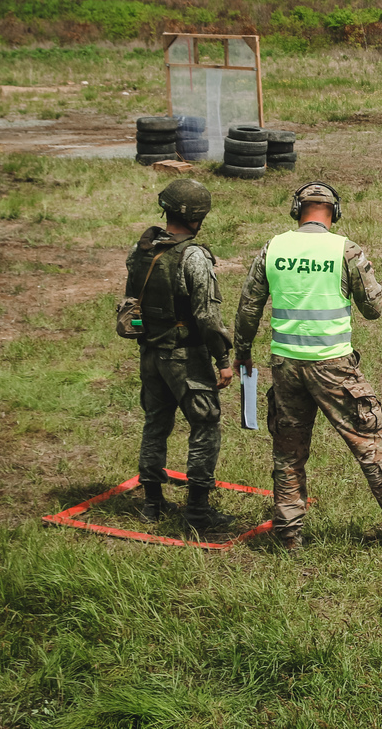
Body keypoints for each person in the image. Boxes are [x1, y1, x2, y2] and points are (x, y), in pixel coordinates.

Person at [235, 182, 382, 551]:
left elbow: (249, 306)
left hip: (285, 365)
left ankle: (288, 533)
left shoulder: (273, 248)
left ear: (297, 210)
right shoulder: (345, 250)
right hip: (334, 366)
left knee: (289, 450)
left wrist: (242, 353)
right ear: (336, 212)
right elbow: (373, 310)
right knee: (371, 441)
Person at [124, 178, 236, 532]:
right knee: (205, 424)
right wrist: (223, 361)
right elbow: (206, 316)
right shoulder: (193, 256)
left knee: (155, 424)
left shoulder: (142, 249)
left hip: (150, 353)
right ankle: (198, 512)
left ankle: (152, 504)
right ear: (196, 216)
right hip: (185, 357)